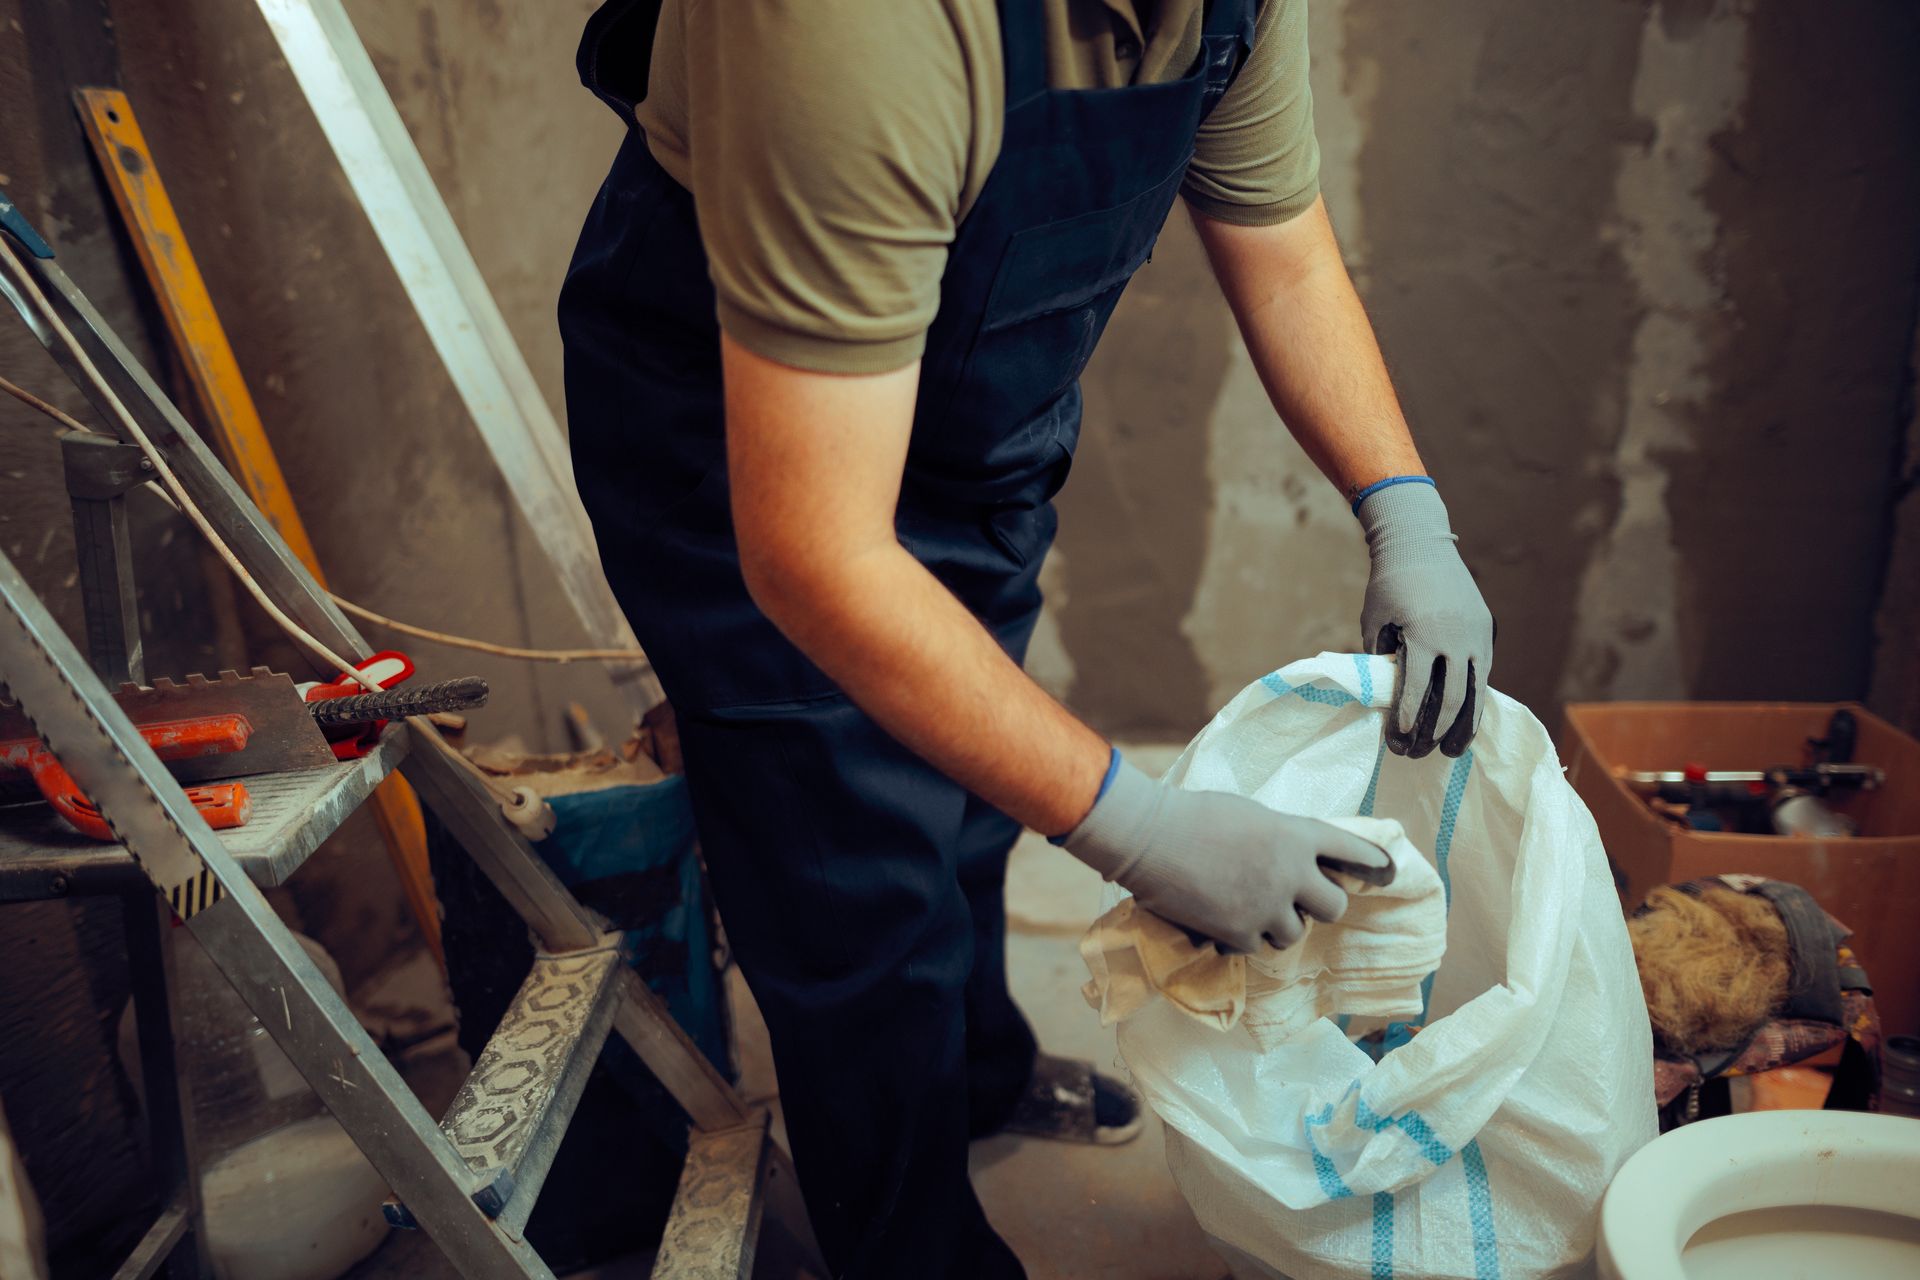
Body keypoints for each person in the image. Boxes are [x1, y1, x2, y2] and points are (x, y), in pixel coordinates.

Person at [560, 1, 1494, 1275]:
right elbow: (820, 557)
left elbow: (1278, 239)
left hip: (973, 419)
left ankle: (978, 1070)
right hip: (742, 441)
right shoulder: (854, 30)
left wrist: (1404, 510)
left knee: (970, 795)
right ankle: (913, 1242)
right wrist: (1141, 829)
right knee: (855, 885)